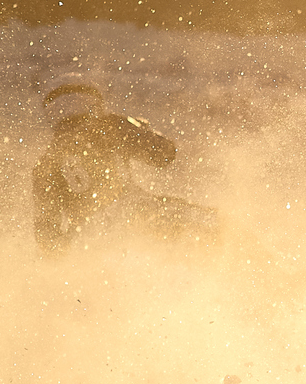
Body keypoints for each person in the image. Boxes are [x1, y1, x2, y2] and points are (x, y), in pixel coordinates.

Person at [32, 74, 215, 251]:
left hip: (90, 241)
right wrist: (141, 128)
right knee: (214, 224)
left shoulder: (45, 164)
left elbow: (47, 235)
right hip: (138, 214)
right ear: (90, 100)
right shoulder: (110, 126)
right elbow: (165, 154)